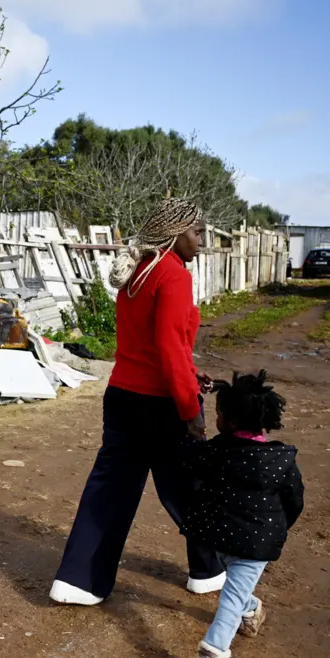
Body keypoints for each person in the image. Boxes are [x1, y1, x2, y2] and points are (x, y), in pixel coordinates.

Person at [50, 197, 226, 606]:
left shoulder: (138, 272)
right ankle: (209, 571)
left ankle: (79, 581)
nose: (201, 241)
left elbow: (156, 344)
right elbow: (166, 347)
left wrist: (190, 367)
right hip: (163, 403)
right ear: (175, 234)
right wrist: (190, 410)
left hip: (123, 398)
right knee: (191, 489)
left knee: (109, 491)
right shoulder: (174, 276)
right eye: (197, 233)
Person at [182, 370, 304, 658]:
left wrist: (191, 431)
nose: (216, 417)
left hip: (224, 538)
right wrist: (278, 527)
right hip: (250, 540)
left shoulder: (215, 452)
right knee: (237, 591)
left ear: (232, 422)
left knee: (231, 596)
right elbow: (294, 500)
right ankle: (253, 610)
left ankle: (212, 656)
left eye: (219, 413)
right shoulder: (280, 460)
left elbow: (189, 465)